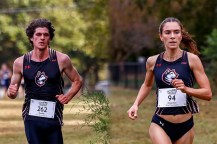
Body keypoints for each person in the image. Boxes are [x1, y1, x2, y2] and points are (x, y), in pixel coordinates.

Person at [128, 17, 212, 144]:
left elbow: (208, 94)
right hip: (160, 123)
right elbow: (147, 85)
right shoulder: (152, 61)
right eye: (168, 32)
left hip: (185, 126)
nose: (172, 36)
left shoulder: (192, 59)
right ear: (161, 36)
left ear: (181, 35)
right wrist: (135, 104)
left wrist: (186, 89)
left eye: (176, 32)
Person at [7, 18, 83, 144]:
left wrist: (68, 96)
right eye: (38, 34)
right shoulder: (20, 62)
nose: (42, 38)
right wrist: (11, 92)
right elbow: (12, 93)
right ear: (31, 37)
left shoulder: (61, 59)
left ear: (50, 38)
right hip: (31, 115)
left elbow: (77, 80)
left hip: (53, 114)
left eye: (46, 35)